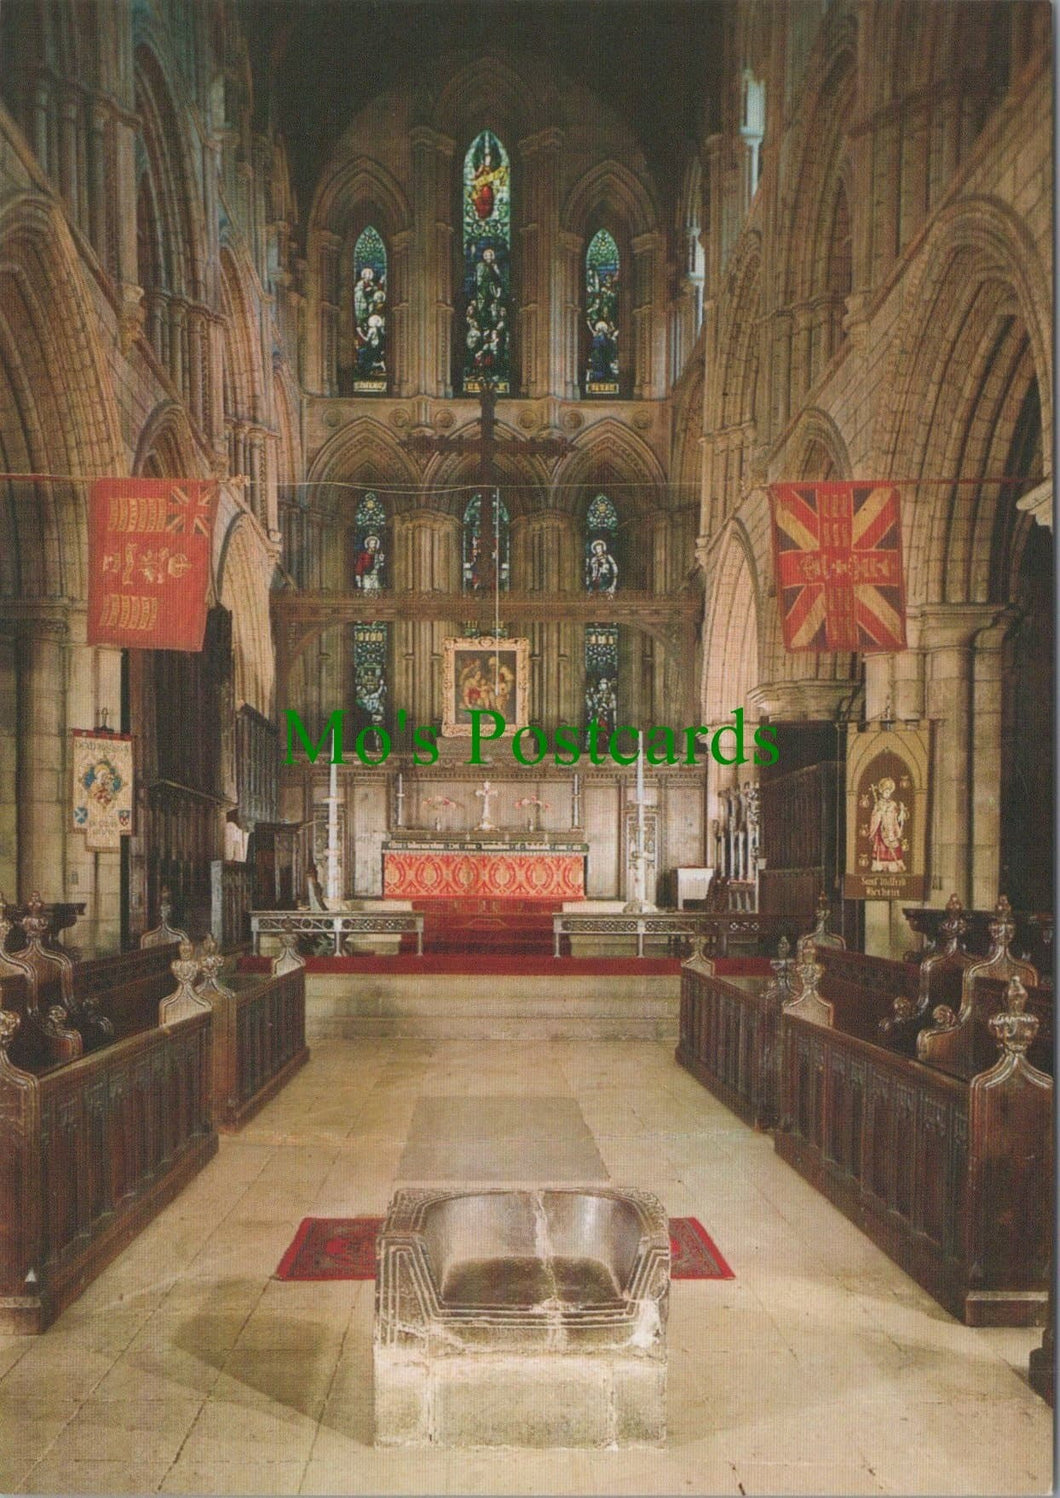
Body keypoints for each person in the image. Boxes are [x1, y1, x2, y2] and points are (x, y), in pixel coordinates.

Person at [869, 777, 908, 872]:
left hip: (891, 829)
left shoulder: (893, 804)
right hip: (881, 830)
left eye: (889, 792)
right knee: (882, 847)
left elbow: (896, 818)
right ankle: (880, 865)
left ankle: (894, 865)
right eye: (886, 792)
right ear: (882, 792)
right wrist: (879, 814)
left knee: (894, 846)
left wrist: (901, 812)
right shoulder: (878, 804)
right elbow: (874, 817)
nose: (887, 794)